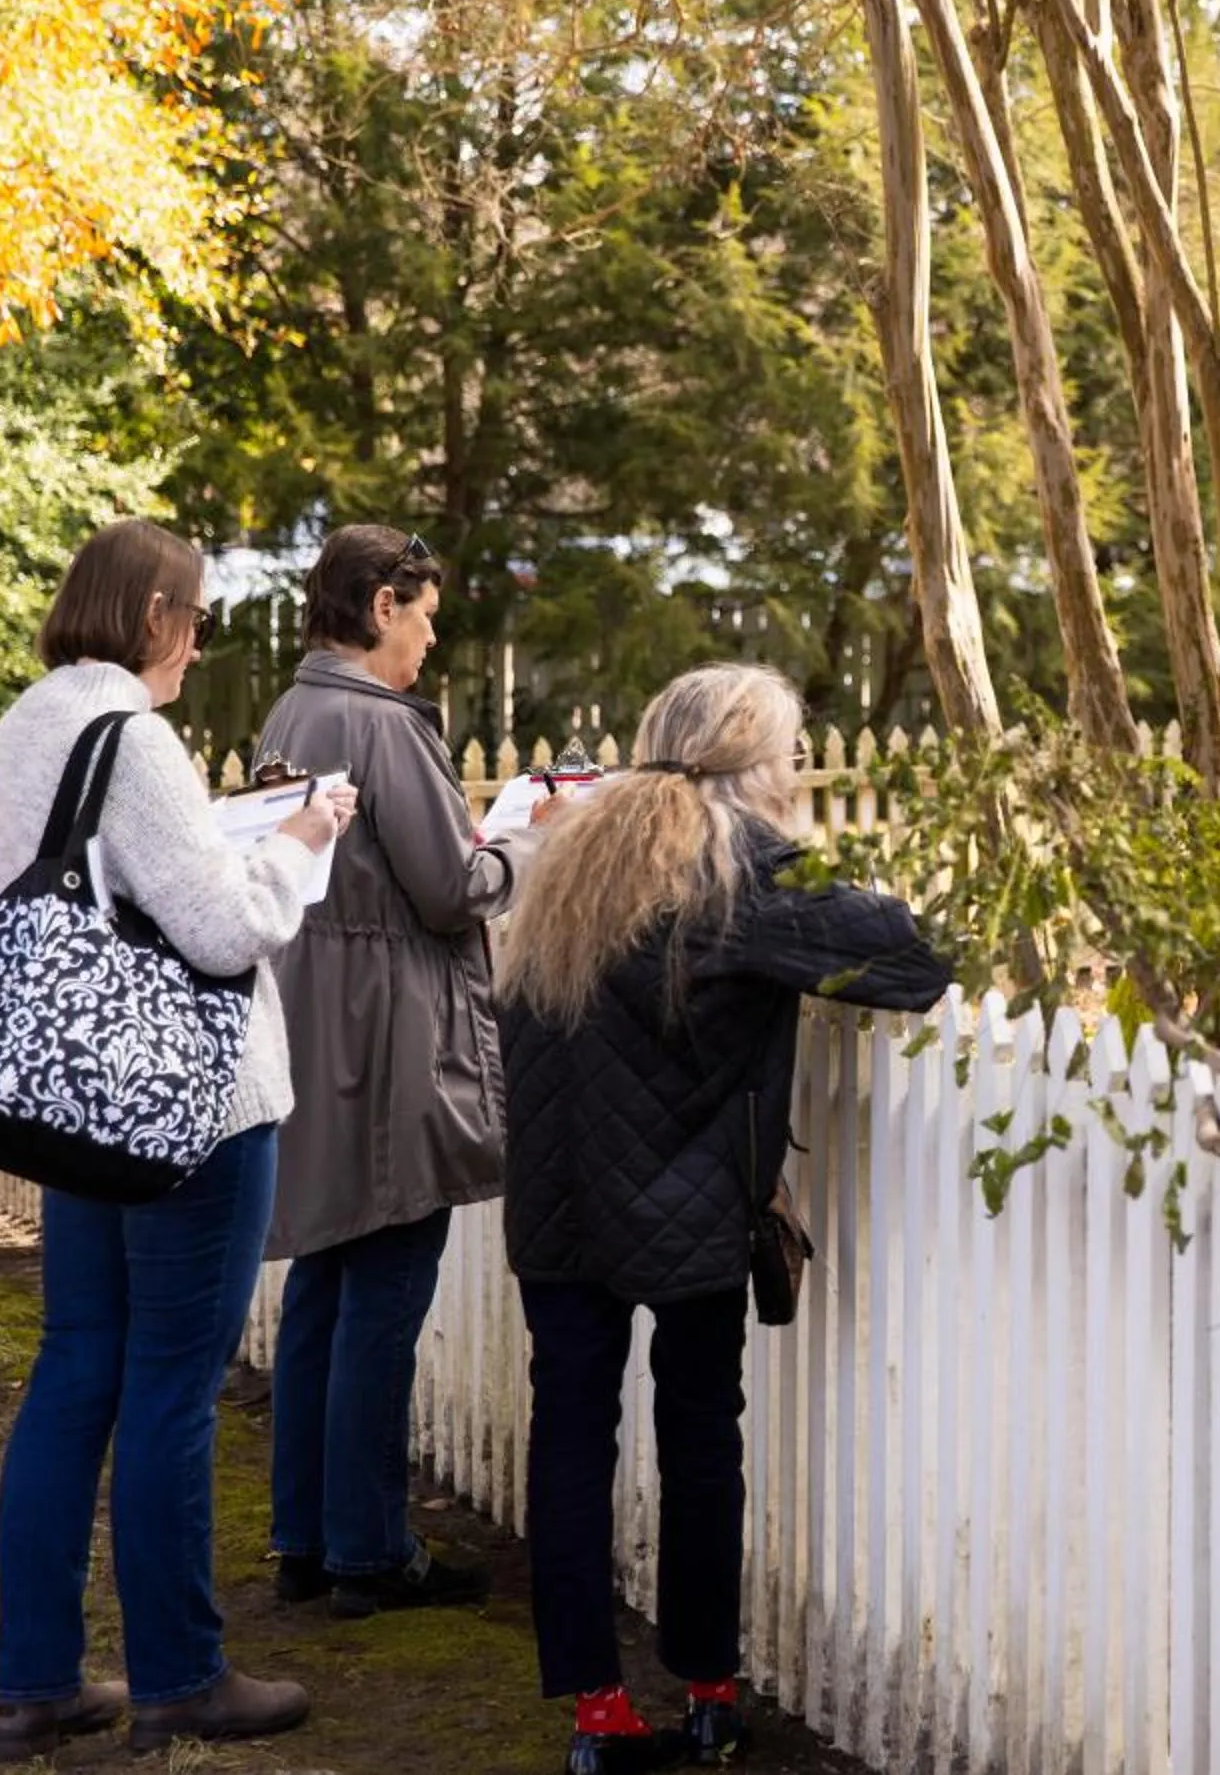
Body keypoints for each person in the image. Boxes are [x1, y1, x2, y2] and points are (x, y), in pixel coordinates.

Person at [495, 664, 948, 1775]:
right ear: (752, 761)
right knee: (701, 1436)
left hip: (556, 1194)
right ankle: (708, 1689)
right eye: (790, 753)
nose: (798, 771)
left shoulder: (574, 851)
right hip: (686, 1199)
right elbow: (919, 959)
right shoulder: (743, 866)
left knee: (570, 1439)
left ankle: (596, 1714)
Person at [0, 519, 357, 1761]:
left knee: (76, 1366)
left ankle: (34, 1682)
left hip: (80, 1100)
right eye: (193, 617)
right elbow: (215, 930)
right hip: (188, 1105)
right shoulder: (134, 736)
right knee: (171, 1391)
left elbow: (96, 884)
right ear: (151, 613)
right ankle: (180, 1678)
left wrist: (220, 826)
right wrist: (297, 846)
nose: (199, 641)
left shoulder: (29, 721)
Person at [255, 525, 524, 1616]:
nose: (431, 634)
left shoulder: (291, 710)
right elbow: (448, 889)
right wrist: (520, 843)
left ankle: (306, 1537)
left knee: (324, 1278)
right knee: (384, 1294)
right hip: (392, 1035)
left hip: (313, 1018)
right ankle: (369, 1549)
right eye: (423, 612)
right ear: (379, 606)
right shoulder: (382, 721)